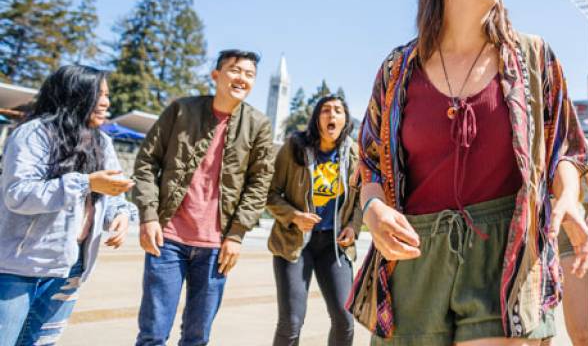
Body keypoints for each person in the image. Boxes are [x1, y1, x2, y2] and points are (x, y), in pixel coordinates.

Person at [348, 0, 588, 346]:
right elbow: (370, 161)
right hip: (413, 256)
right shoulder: (396, 69)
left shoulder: (535, 57)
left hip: (505, 253)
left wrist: (569, 198)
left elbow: (566, 149)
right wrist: (373, 211)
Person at [132, 49, 275, 346]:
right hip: (167, 240)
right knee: (153, 334)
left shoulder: (258, 124)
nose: (242, 78)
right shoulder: (181, 110)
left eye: (250, 75)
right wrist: (148, 216)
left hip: (216, 248)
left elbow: (259, 183)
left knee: (197, 337)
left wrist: (236, 235)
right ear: (216, 75)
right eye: (235, 70)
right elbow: (147, 162)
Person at [0, 65, 133, 346]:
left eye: (107, 95)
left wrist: (120, 213)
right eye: (99, 94)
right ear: (75, 95)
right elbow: (18, 194)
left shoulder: (103, 141)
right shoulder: (33, 134)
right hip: (18, 268)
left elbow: (111, 190)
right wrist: (84, 184)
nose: (107, 102)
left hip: (69, 267)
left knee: (40, 343)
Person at [266, 94, 362, 346]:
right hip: (294, 245)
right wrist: (294, 216)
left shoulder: (353, 153)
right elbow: (271, 193)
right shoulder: (295, 147)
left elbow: (362, 197)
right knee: (292, 323)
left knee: (344, 320)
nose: (332, 115)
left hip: (334, 247)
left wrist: (354, 226)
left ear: (345, 120)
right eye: (326, 110)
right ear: (317, 118)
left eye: (338, 111)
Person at [556, 161, 588, 346]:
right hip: (538, 237)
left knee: (582, 334)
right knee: (540, 336)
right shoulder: (531, 132)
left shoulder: (577, 139)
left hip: (572, 238)